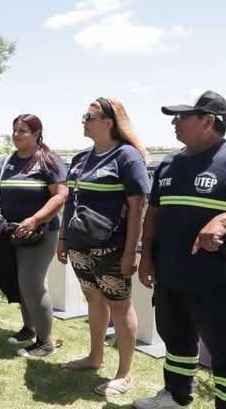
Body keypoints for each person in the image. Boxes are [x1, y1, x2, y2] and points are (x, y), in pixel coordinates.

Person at [134, 91, 226, 409]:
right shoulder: (169, 162)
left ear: (209, 120)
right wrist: (147, 258)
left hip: (216, 280)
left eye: (183, 116)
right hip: (170, 274)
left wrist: (225, 220)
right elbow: (153, 214)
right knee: (175, 339)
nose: (175, 122)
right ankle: (176, 395)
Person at [57, 97, 149, 396]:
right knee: (93, 300)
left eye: (89, 116)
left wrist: (131, 250)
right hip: (80, 246)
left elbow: (138, 206)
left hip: (112, 248)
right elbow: (71, 202)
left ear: (108, 122)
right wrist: (62, 239)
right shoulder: (80, 159)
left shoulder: (126, 157)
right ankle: (94, 357)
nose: (83, 120)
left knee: (120, 307)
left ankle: (124, 374)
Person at [0, 114, 68, 358]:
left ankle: (45, 342)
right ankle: (29, 329)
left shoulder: (49, 161)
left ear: (36, 134)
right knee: (20, 283)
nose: (16, 134)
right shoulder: (6, 162)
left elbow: (60, 195)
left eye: (23, 130)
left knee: (31, 283)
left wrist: (35, 220)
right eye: (14, 130)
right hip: (11, 233)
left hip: (40, 234)